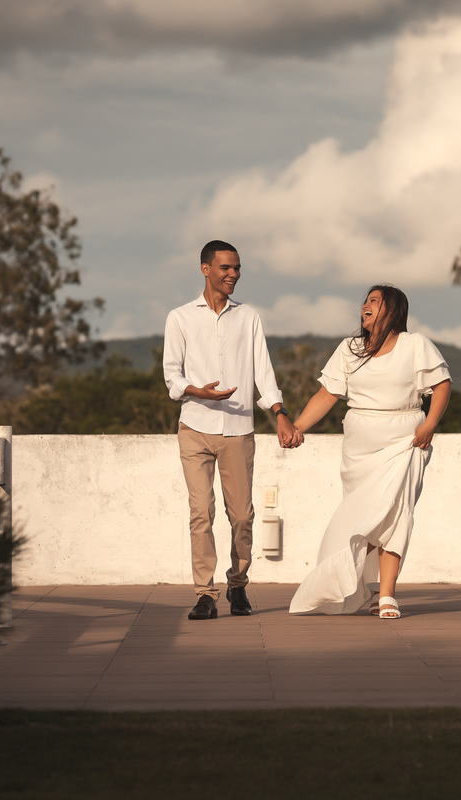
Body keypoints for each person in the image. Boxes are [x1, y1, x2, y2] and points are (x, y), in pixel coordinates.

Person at [288, 285, 451, 619]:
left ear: (392, 311)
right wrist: (298, 427)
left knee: (394, 514)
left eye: (375, 301)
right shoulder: (349, 349)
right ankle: (366, 588)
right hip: (359, 449)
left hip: (405, 442)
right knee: (366, 520)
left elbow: (442, 384)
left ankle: (387, 594)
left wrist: (430, 423)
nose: (366, 306)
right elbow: (327, 394)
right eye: (366, 300)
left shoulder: (414, 344)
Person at [163, 240, 302, 621]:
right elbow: (171, 375)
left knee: (241, 516)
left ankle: (237, 585)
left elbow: (264, 372)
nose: (233, 275)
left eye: (237, 268)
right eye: (225, 267)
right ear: (205, 269)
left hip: (239, 429)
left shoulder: (249, 317)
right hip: (194, 426)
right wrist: (197, 391)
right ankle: (205, 594)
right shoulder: (180, 318)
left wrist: (280, 412)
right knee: (200, 512)